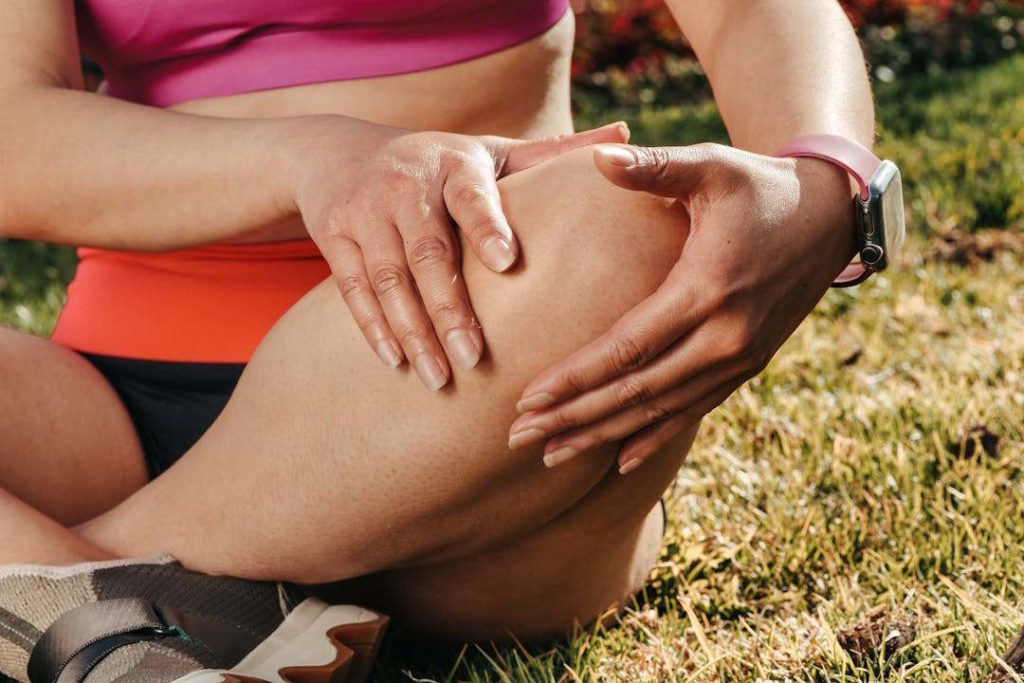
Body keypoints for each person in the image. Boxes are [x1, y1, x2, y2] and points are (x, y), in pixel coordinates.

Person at [0, 0, 874, 679]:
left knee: (634, 226)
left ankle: (58, 580)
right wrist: (310, 160)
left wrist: (823, 183)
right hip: (110, 408)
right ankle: (123, 602)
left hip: (473, 398)